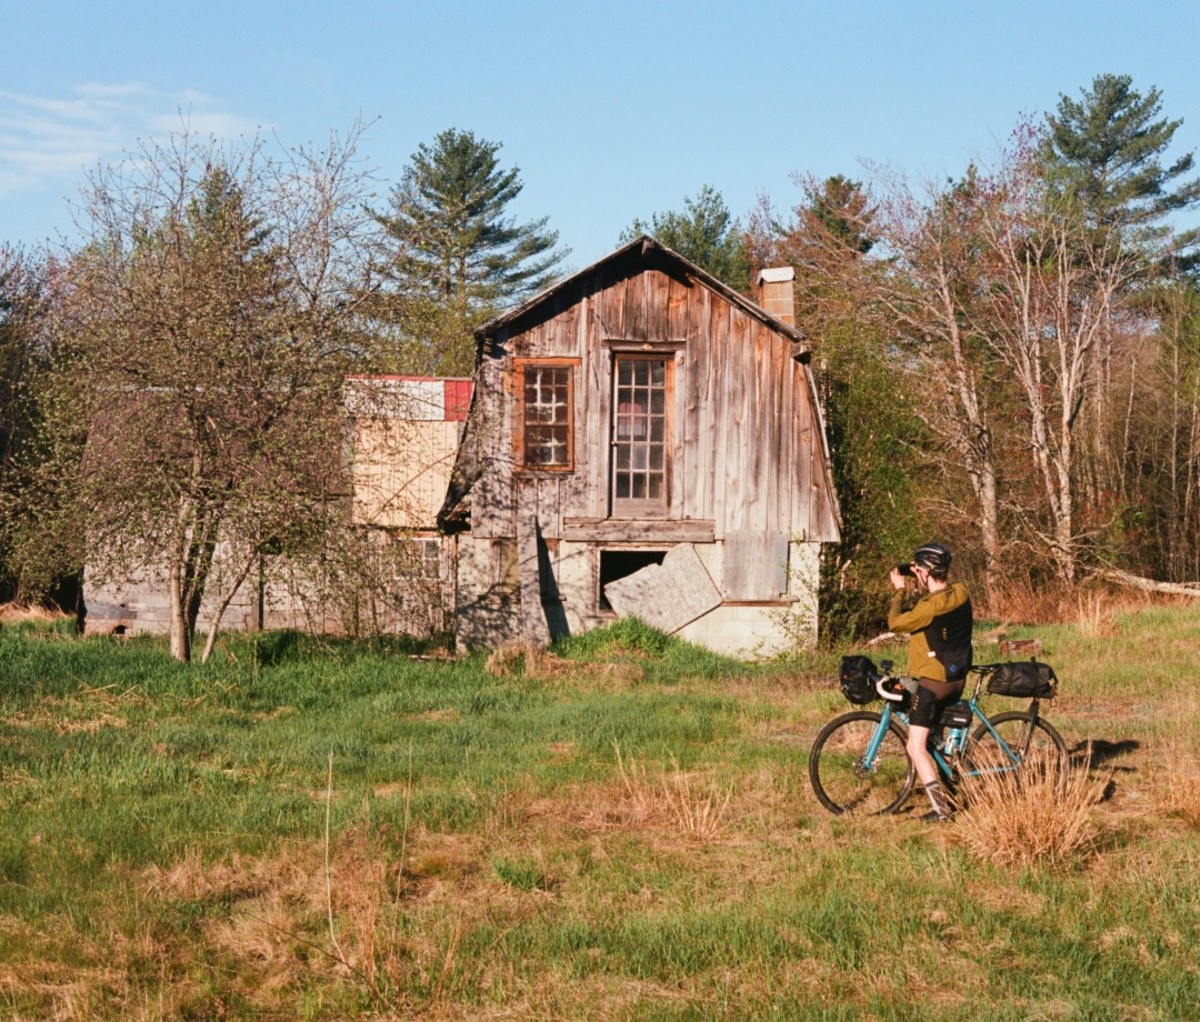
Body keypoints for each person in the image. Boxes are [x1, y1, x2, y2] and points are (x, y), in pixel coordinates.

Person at [887, 542, 973, 821]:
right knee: (932, 740)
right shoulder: (961, 592)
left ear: (924, 571)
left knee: (915, 746)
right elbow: (937, 600)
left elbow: (896, 623)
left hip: (934, 682)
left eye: (918, 570)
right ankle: (949, 771)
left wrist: (900, 591)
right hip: (957, 678)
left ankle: (942, 809)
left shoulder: (928, 608)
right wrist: (919, 579)